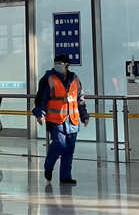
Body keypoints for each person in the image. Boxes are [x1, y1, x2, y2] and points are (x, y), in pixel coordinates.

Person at [33, 54, 89, 185]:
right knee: (59, 144)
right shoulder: (48, 79)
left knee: (69, 149)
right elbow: (41, 98)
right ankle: (48, 166)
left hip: (72, 120)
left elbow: (80, 100)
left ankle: (65, 176)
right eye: (56, 63)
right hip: (55, 119)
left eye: (60, 63)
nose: (57, 65)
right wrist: (40, 114)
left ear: (67, 65)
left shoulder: (75, 79)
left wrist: (84, 115)